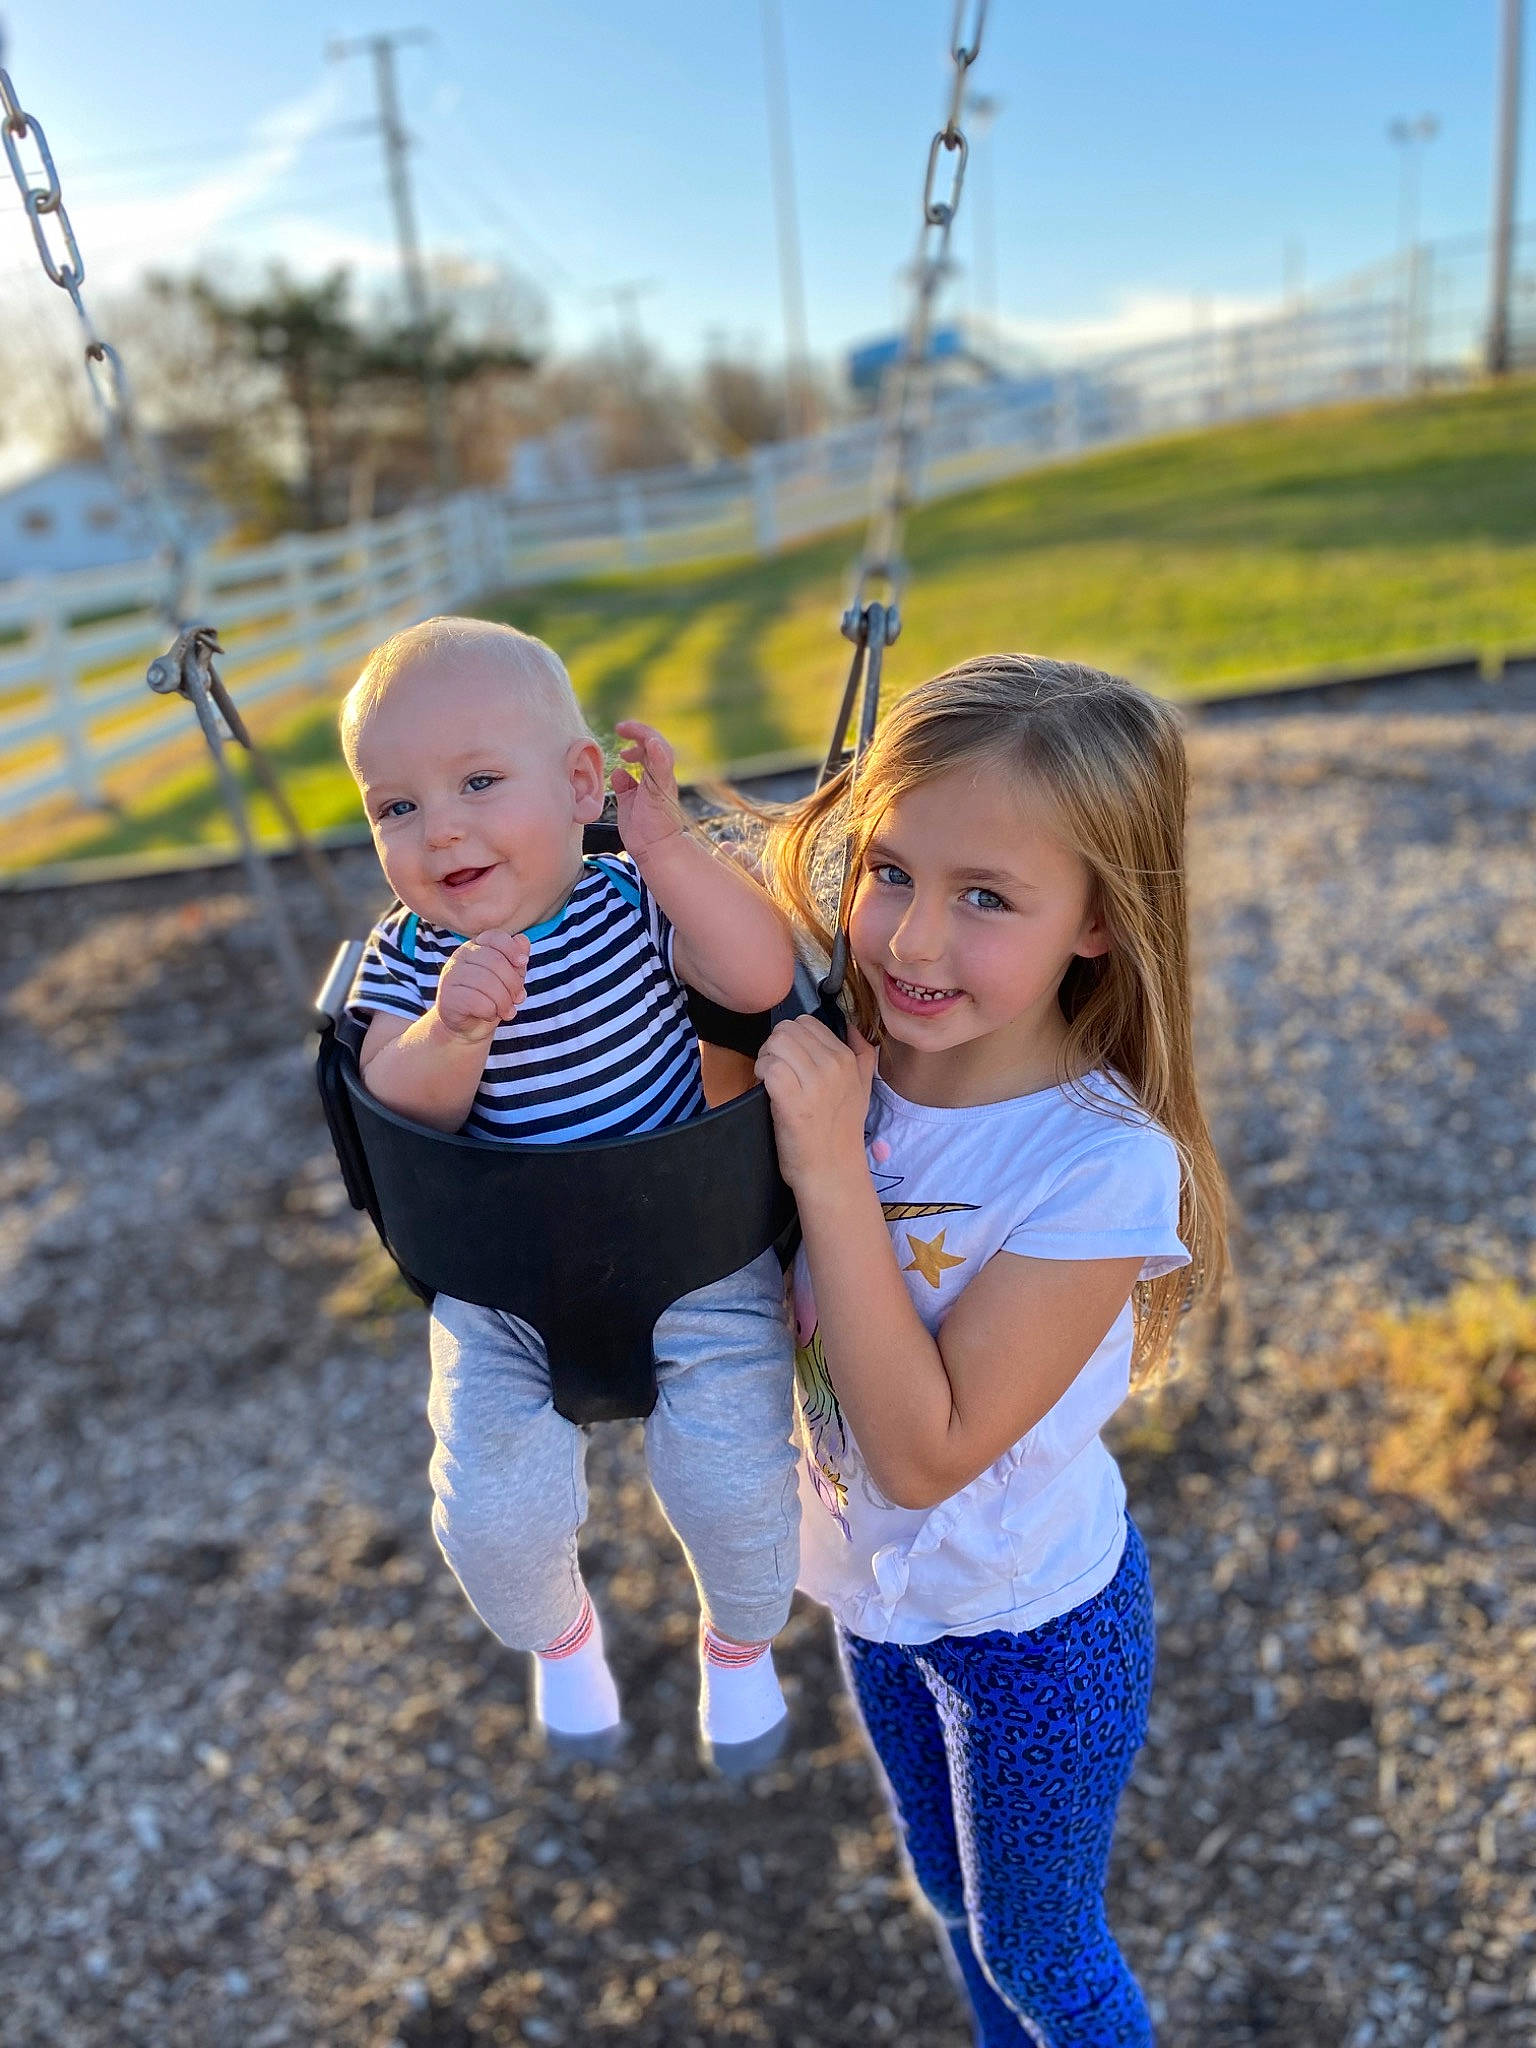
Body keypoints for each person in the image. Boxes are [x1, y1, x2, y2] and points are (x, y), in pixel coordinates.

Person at [752, 655, 1226, 2046]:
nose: (910, 940)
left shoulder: (1097, 1164)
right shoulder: (843, 1052)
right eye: (891, 870)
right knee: (953, 1902)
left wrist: (830, 1169)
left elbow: (924, 1454)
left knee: (1041, 1954)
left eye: (987, 898)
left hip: (1032, 1635)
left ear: (1100, 919)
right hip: (875, 1602)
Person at [340, 615, 801, 1774]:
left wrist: (672, 851)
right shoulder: (407, 957)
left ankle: (742, 1645)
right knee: (490, 1514)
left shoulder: (634, 899)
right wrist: (452, 1032)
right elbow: (396, 1101)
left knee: (737, 1486)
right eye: (396, 806)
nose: (440, 828)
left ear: (583, 783)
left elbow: (762, 978)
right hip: (504, 1284)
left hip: (695, 1249)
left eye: (478, 782)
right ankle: (561, 1638)